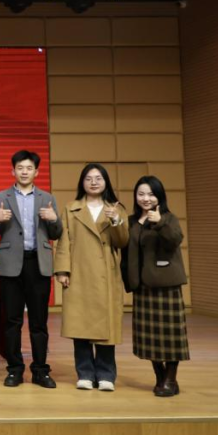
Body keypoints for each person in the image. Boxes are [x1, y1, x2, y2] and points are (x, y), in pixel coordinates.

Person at [0, 150, 62, 388]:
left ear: (36, 172)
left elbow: (57, 233)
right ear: (13, 171)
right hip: (11, 266)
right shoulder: (1, 197)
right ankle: (14, 369)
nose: (24, 172)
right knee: (12, 321)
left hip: (38, 264)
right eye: (20, 168)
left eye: (29, 168)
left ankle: (40, 370)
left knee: (39, 322)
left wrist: (53, 219)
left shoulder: (47, 197)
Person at [53, 163, 129, 392]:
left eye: (98, 178)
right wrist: (63, 270)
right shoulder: (71, 208)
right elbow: (63, 241)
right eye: (88, 178)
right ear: (82, 182)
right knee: (80, 325)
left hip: (106, 273)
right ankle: (85, 373)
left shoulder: (116, 208)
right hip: (79, 273)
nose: (93, 182)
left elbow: (122, 241)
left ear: (106, 182)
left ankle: (106, 374)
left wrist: (115, 221)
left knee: (107, 327)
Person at [123, 175, 189, 397]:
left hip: (166, 285)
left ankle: (170, 379)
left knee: (171, 336)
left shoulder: (168, 218)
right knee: (149, 338)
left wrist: (159, 221)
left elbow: (175, 240)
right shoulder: (132, 221)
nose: (146, 198)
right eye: (141, 194)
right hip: (142, 286)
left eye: (151, 194)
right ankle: (160, 376)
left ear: (159, 196)